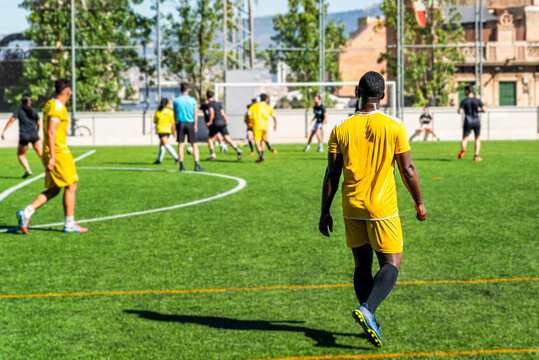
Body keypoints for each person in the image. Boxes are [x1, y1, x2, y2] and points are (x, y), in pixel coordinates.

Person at [319, 71, 426, 347]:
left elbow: (331, 174)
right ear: (383, 95)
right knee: (392, 264)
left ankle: (371, 317)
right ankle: (367, 310)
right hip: (382, 208)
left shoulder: (340, 129)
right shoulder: (394, 126)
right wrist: (418, 202)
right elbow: (408, 169)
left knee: (361, 265)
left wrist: (324, 211)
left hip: (351, 206)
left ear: (357, 92)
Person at [16, 79, 88, 234]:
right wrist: (53, 157)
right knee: (71, 185)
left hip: (52, 151)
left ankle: (26, 213)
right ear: (68, 93)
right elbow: (51, 131)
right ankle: (69, 223)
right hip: (59, 152)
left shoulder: (50, 103)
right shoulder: (57, 107)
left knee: (54, 189)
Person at [1, 95, 43, 178]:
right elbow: (38, 123)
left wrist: (4, 131)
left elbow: (11, 120)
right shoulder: (34, 110)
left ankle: (28, 170)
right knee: (41, 153)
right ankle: (49, 169)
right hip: (34, 135)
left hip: (24, 136)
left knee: (20, 154)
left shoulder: (19, 111)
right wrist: (37, 132)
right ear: (29, 102)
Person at [173, 82, 204, 172]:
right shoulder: (192, 100)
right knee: (194, 145)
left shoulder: (176, 100)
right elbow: (195, 113)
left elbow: (174, 113)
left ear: (180, 90)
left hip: (180, 123)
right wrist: (195, 125)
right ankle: (196, 165)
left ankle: (181, 166)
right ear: (188, 90)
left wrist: (175, 124)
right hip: (190, 123)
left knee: (181, 145)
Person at [205, 91, 242, 160]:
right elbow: (222, 113)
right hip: (222, 122)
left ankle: (212, 153)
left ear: (207, 97)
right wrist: (226, 120)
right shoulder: (218, 104)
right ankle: (237, 149)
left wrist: (210, 121)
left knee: (210, 138)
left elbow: (211, 112)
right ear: (213, 96)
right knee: (227, 139)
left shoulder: (210, 104)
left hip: (215, 123)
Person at [458, 85, 486, 161]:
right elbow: (484, 110)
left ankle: (463, 148)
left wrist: (461, 110)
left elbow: (460, 112)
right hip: (476, 120)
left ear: (467, 91)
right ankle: (476, 156)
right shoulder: (477, 100)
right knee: (477, 138)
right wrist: (478, 110)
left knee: (465, 138)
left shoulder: (464, 101)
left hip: (468, 120)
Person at [247, 93, 277, 163]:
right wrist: (275, 125)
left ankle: (260, 155)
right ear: (266, 100)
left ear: (260, 99)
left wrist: (251, 121)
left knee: (257, 141)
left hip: (257, 125)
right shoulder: (268, 107)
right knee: (263, 140)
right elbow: (274, 116)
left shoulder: (255, 106)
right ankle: (262, 156)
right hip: (265, 126)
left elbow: (248, 113)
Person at [153, 98, 178, 164]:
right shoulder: (170, 111)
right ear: (167, 104)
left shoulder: (158, 112)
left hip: (161, 130)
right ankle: (159, 160)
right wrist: (175, 132)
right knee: (162, 145)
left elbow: (155, 121)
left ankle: (177, 158)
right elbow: (173, 123)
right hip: (167, 130)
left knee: (166, 144)